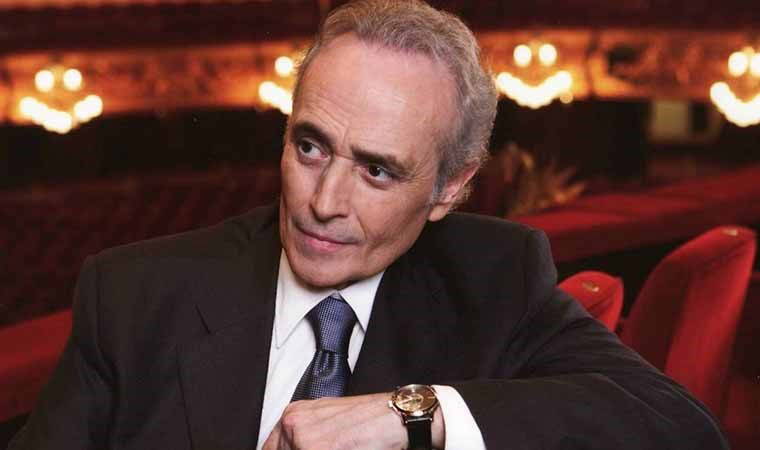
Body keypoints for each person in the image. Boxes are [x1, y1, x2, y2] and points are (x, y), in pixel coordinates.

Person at [10, 1, 728, 449]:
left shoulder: (493, 276)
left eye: (378, 171)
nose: (324, 201)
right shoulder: (134, 292)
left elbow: (679, 426)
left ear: (450, 189)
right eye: (310, 147)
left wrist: (413, 414)